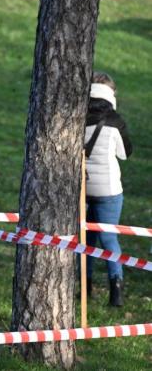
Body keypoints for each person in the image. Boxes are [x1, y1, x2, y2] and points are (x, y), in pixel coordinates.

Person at [84, 72, 132, 307]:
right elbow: (125, 153)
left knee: (87, 238)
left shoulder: (76, 116)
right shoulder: (116, 121)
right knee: (109, 239)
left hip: (83, 187)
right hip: (109, 190)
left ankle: (85, 287)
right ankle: (116, 291)